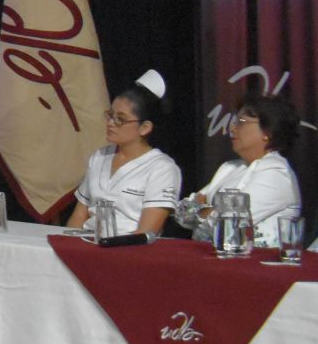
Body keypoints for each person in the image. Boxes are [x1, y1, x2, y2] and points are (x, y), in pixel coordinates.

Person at [66, 74, 182, 237]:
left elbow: (146, 233)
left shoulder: (162, 168)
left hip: (128, 247)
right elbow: (79, 215)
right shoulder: (99, 157)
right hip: (86, 242)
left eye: (120, 119)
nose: (110, 123)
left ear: (145, 128)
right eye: (110, 115)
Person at [189, 91, 304, 243]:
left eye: (241, 122)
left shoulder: (276, 174)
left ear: (268, 132)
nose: (232, 128)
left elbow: (227, 224)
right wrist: (207, 211)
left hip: (258, 258)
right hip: (211, 253)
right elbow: (183, 211)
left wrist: (202, 209)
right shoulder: (230, 167)